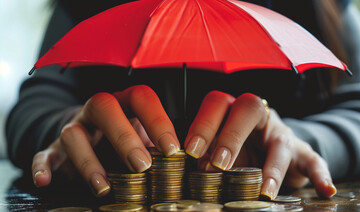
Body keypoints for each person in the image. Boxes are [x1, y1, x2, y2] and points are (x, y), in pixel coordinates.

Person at [6, 0, 360, 199]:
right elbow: (33, 107)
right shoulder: (85, 6)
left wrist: (301, 141)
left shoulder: (323, 8)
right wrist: (68, 128)